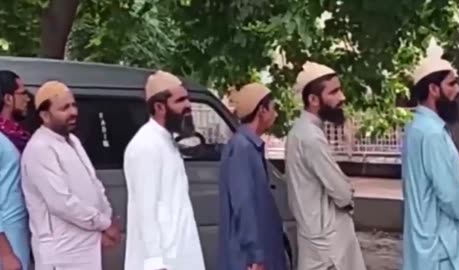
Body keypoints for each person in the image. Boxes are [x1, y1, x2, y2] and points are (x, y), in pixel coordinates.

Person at [20, 81, 120, 270]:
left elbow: (94, 183)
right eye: (64, 108)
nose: (73, 112)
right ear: (44, 115)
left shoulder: (72, 140)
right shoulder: (40, 148)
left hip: (85, 247)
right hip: (62, 252)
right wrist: (104, 223)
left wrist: (106, 219)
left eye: (74, 105)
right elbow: (61, 202)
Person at [285, 61, 366, 270]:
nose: (342, 98)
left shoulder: (301, 131)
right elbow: (342, 193)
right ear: (313, 99)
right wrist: (348, 193)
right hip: (328, 248)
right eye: (334, 92)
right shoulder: (310, 137)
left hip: (319, 241)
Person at [123, 71, 205, 270]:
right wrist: (155, 262)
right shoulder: (145, 145)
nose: (188, 106)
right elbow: (146, 209)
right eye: (180, 101)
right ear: (159, 107)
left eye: (187, 99)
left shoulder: (166, 140)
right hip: (161, 262)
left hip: (179, 255)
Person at [401, 50, 459, 270]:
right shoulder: (432, 134)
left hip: (423, 243)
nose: (458, 90)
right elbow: (449, 196)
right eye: (451, 84)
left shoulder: (416, 128)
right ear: (433, 89)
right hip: (439, 247)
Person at [218, 82, 286, 270]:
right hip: (247, 258)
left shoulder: (248, 146)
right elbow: (244, 204)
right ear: (262, 111)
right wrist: (255, 255)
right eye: (273, 108)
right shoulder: (242, 148)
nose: (276, 114)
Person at [0, 70, 31, 152]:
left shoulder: (20, 135)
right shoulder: (5, 140)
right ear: (8, 99)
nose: (27, 99)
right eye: (23, 93)